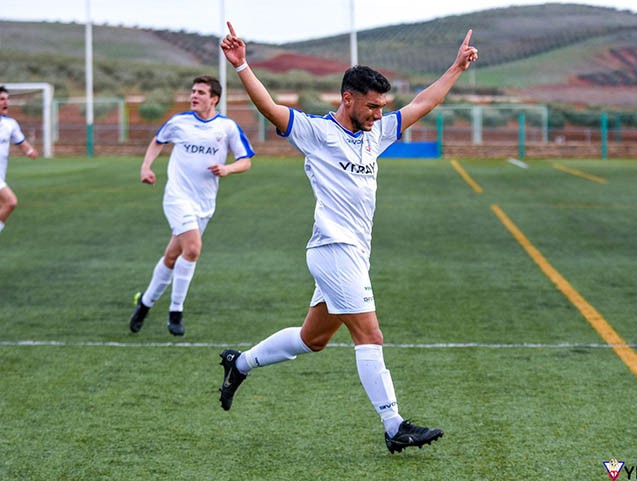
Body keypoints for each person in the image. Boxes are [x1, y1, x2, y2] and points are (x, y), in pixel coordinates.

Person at [218, 22, 478, 453]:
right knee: (369, 335)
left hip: (354, 253)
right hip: (333, 250)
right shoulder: (317, 133)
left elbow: (424, 103)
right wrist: (242, 64)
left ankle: (239, 364)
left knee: (312, 339)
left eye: (382, 107)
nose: (379, 114)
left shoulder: (375, 134)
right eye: (373, 106)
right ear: (348, 99)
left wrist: (455, 68)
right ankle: (394, 426)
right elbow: (269, 107)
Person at [129, 75, 254, 336]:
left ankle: (145, 303)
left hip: (205, 203)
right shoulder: (179, 122)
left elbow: (246, 160)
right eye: (193, 91)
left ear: (214, 99)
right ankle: (176, 311)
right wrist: (146, 167)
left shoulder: (227, 127)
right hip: (177, 197)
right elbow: (158, 141)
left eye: (200, 92)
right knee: (193, 249)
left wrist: (227, 169)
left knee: (173, 256)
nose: (193, 96)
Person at [0, 86, 38, 234]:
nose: (6, 102)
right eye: (2, 99)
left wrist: (29, 150)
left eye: (7, 99)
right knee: (10, 201)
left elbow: (21, 142)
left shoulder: (10, 124)